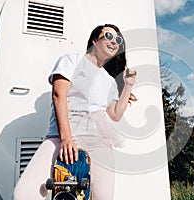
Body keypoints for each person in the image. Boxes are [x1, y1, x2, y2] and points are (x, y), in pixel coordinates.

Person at [13, 24, 137, 200]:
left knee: (103, 197)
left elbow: (115, 114)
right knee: (24, 194)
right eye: (108, 35)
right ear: (95, 40)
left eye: (118, 40)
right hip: (61, 136)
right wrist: (66, 139)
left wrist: (128, 85)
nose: (114, 41)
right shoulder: (72, 60)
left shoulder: (108, 80)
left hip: (97, 141)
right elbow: (58, 95)